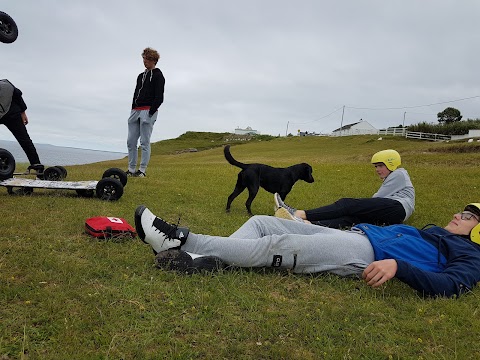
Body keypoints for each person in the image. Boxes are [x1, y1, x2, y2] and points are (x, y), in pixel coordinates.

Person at [134, 203, 480, 298]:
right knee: (261, 223)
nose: (456, 215)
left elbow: (452, 285)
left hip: (364, 251)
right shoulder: (438, 234)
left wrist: (399, 267)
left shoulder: (471, 256)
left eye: (466, 217)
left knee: (277, 245)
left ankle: (180, 241)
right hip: (352, 235)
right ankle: (204, 261)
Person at [274, 149, 414, 228]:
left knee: (347, 204)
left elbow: (377, 198)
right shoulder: (395, 177)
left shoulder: (399, 174)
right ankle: (307, 224)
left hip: (397, 207)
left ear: (391, 164)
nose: (377, 169)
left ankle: (298, 214)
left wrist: (359, 206)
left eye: (380, 166)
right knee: (351, 220)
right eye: (376, 166)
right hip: (395, 215)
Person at [126, 47, 165, 177]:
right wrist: (132, 109)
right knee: (131, 141)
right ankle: (131, 170)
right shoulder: (140, 76)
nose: (145, 61)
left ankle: (142, 171)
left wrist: (150, 112)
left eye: (147, 59)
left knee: (144, 142)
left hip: (148, 111)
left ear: (154, 60)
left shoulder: (159, 75)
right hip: (135, 111)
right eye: (144, 58)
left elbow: (159, 97)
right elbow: (135, 93)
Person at [0, 79, 44, 174]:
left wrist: (23, 112)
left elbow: (18, 94)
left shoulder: (5, 85)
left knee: (24, 139)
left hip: (13, 114)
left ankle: (37, 166)